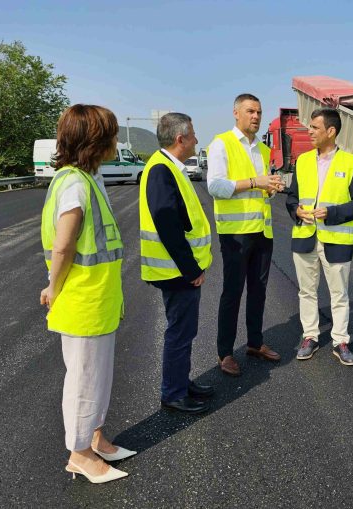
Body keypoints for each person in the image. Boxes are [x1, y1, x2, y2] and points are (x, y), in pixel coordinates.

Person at [40, 104, 134, 484]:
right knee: (83, 380)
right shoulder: (76, 184)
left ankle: (95, 437)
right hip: (82, 300)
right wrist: (53, 286)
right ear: (96, 141)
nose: (115, 141)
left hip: (98, 298)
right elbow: (63, 246)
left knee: (98, 376)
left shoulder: (86, 176)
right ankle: (79, 453)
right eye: (111, 134)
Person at [140, 112, 214, 414]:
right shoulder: (161, 169)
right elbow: (167, 224)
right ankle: (173, 392)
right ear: (180, 139)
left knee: (185, 331)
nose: (197, 139)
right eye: (193, 135)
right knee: (180, 333)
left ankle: (181, 383)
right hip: (175, 272)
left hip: (177, 270)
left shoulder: (169, 166)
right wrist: (191, 269)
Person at [206, 94, 284, 377]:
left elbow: (260, 188)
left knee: (259, 290)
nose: (256, 116)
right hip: (236, 234)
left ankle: (254, 343)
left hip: (262, 230)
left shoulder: (262, 150)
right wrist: (255, 182)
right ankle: (225, 352)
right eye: (250, 111)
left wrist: (270, 187)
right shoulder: (221, 143)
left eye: (259, 112)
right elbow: (215, 186)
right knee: (233, 292)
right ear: (236, 113)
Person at [286, 108, 353, 366]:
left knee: (339, 294)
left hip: (336, 241)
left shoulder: (350, 163)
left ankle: (340, 340)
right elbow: (291, 198)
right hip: (305, 236)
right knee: (306, 292)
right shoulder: (302, 161)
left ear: (331, 131)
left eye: (314, 127)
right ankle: (310, 336)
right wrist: (296, 210)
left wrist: (331, 212)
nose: (309, 131)